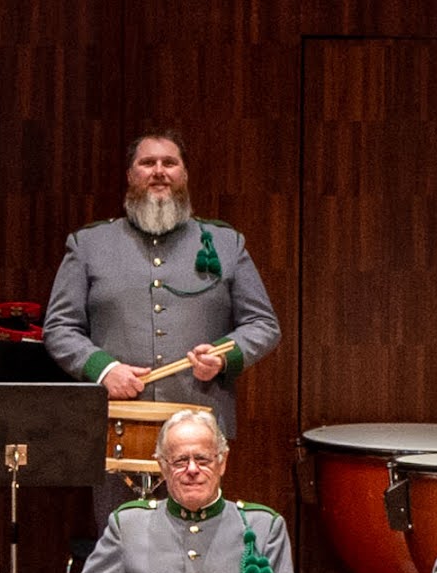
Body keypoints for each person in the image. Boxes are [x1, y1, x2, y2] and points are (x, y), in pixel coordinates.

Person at [40, 135, 281, 458]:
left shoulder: (225, 243)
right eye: (147, 163)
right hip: (116, 421)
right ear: (130, 175)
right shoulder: (89, 245)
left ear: (184, 175)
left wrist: (224, 357)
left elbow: (263, 324)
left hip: (200, 420)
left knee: (197, 510)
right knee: (118, 512)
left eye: (169, 163)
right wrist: (103, 369)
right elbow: (59, 327)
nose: (159, 171)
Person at [51, 410, 294, 573]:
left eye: (203, 459)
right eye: (180, 461)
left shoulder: (264, 526)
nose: (192, 470)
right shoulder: (128, 525)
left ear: (222, 462)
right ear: (162, 466)